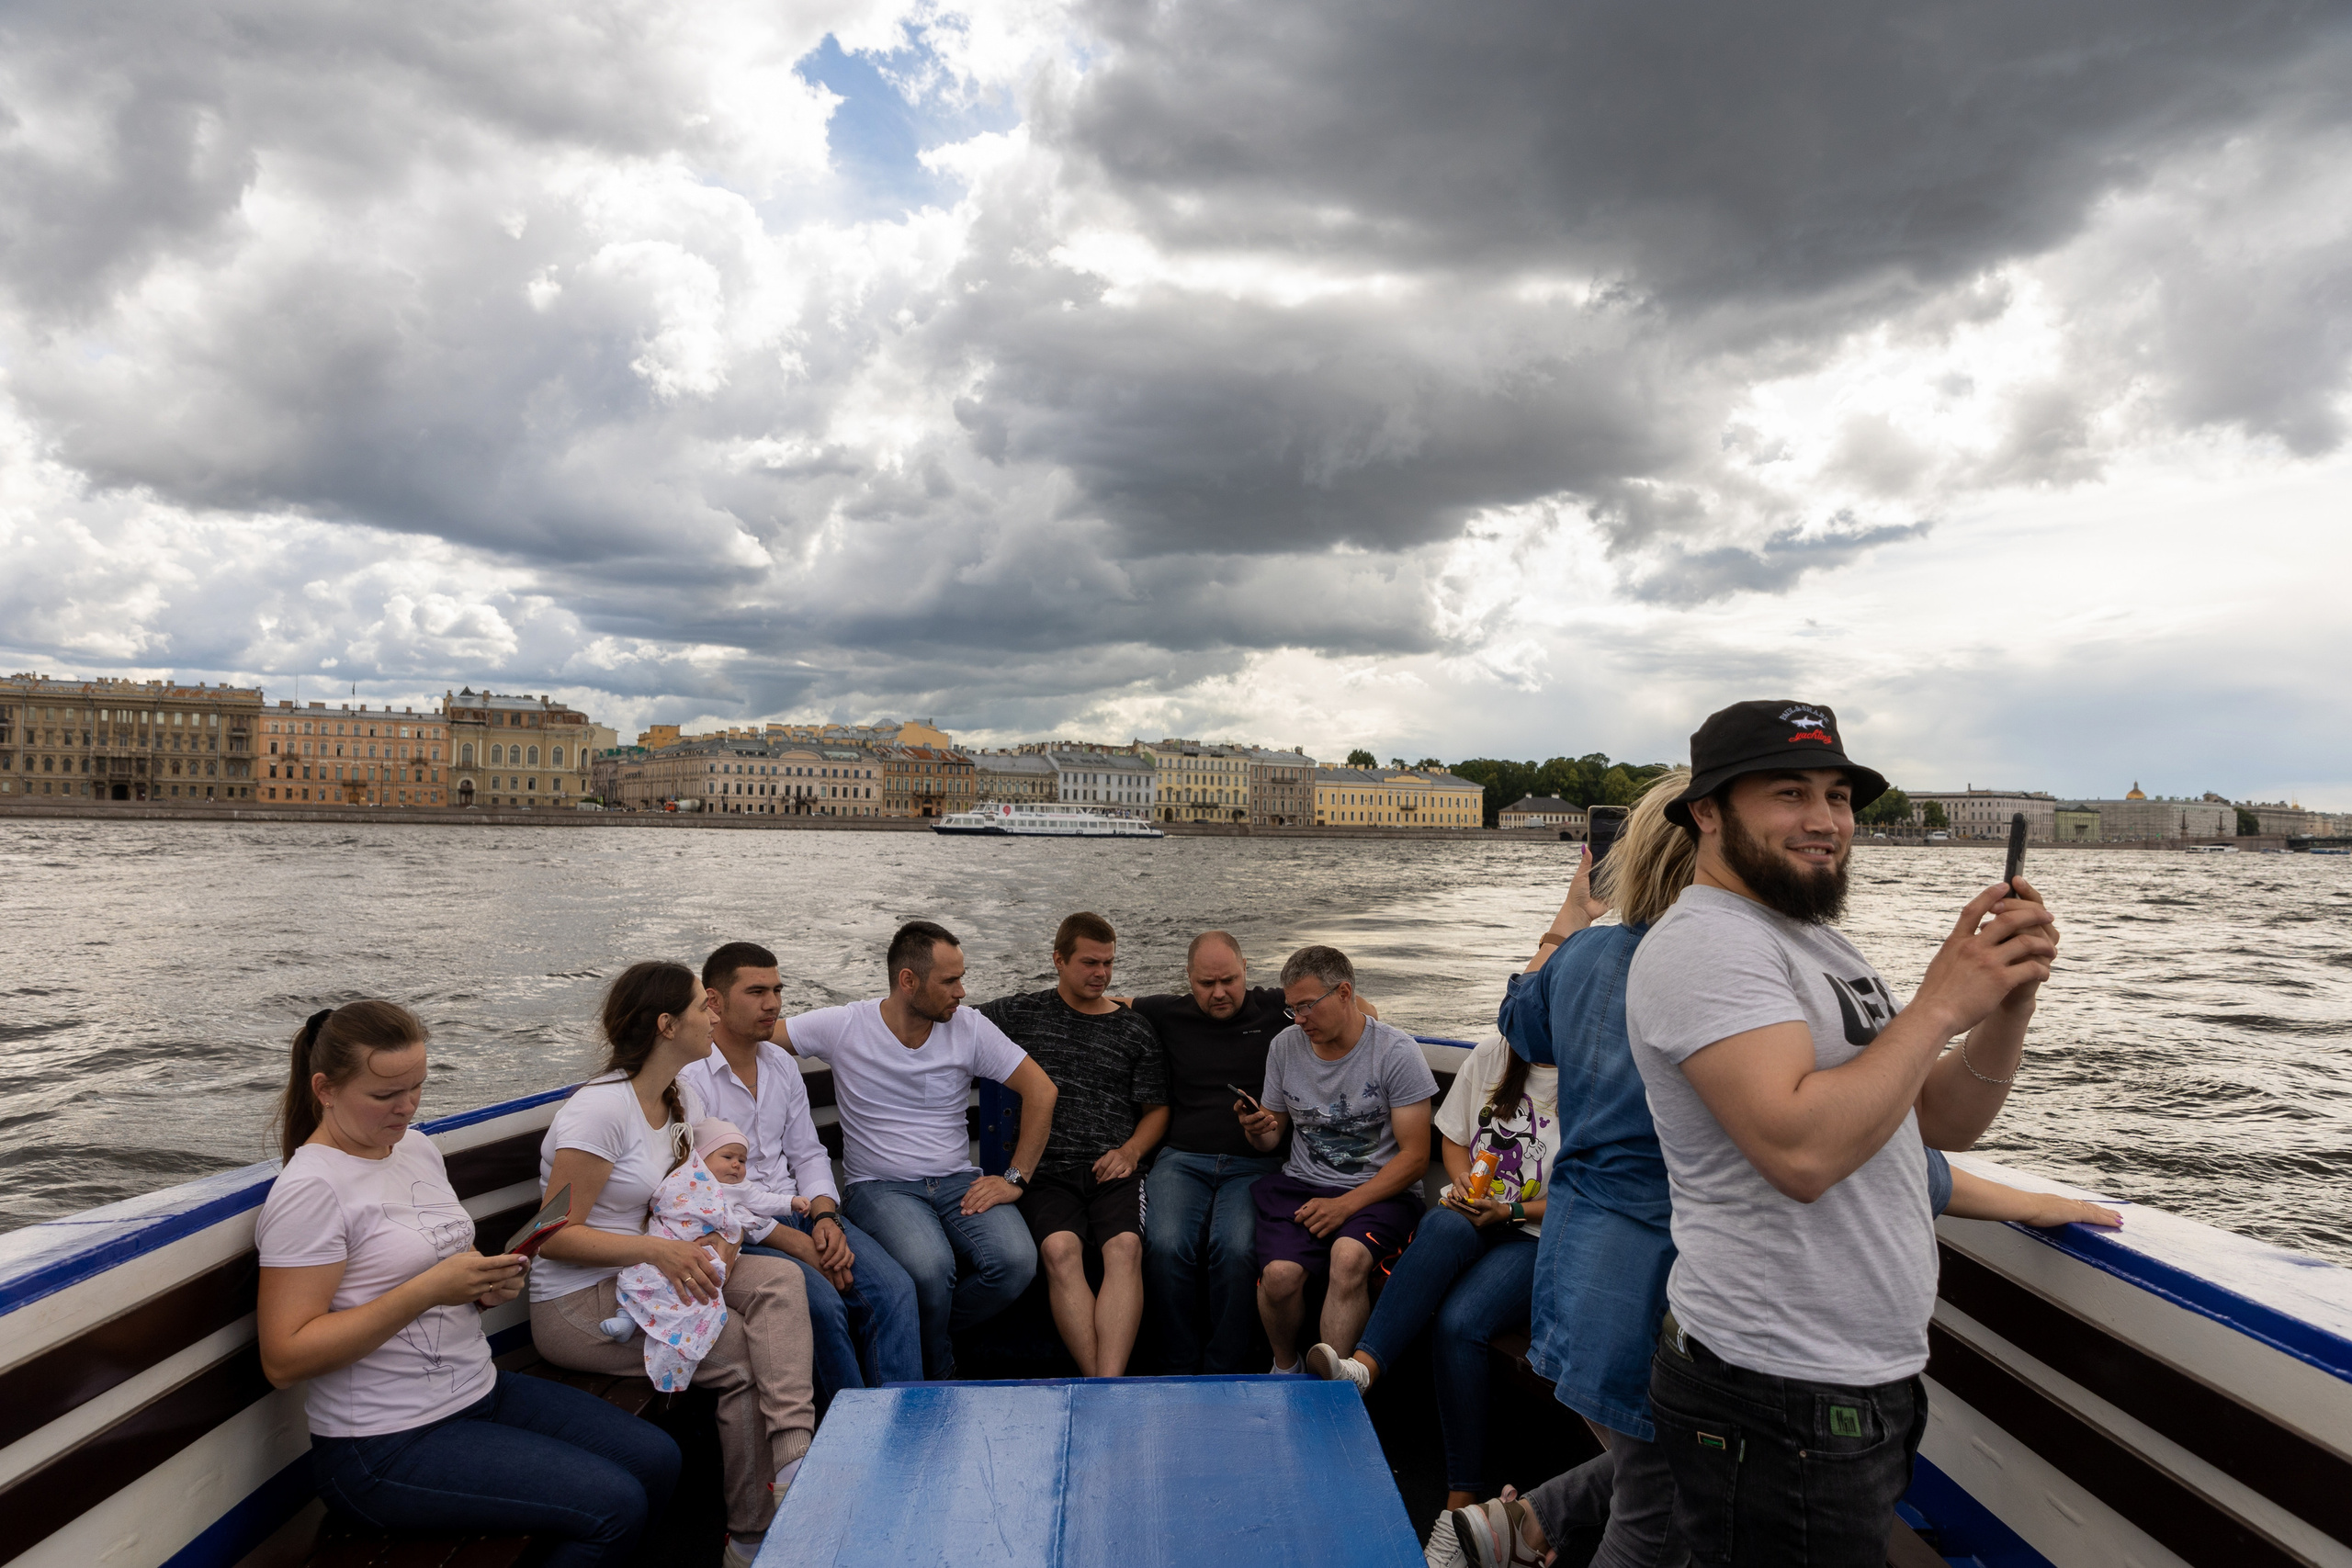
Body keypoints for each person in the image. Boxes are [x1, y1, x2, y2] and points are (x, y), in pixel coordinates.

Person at [1629, 699, 2057, 1567]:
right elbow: (1802, 1151)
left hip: (1855, 1379)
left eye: (1839, 795)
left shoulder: (1817, 942)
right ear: (1707, 813)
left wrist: (2005, 1005)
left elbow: (1937, 1120)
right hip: (1776, 1389)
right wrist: (1940, 1001)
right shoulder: (1706, 945)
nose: (1825, 821)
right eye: (1790, 793)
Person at [255, 1002, 680, 1568]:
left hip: (476, 1391)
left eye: (417, 1088)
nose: (406, 1108)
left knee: (659, 1458)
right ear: (325, 1089)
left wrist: (483, 1287)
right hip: (383, 1445)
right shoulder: (310, 1189)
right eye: (385, 1096)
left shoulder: (415, 1148)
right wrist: (430, 1289)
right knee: (614, 1506)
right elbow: (284, 1358)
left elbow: (432, 1266)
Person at [1445, 771, 1695, 1568]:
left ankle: (1519, 1524)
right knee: (1661, 1494)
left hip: (1578, 1273)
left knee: (1657, 1472)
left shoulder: (1589, 956)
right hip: (1657, 1287)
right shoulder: (1717, 972)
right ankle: (1524, 1524)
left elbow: (1522, 1017)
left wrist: (1570, 915)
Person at [528, 962, 820, 1568]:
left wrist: (723, 1240)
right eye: (699, 1006)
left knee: (782, 1279)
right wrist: (659, 1250)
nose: (713, 1014)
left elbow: (688, 1196)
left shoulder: (676, 1097)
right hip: (582, 1301)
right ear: (667, 1024)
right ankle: (751, 1537)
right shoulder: (599, 1113)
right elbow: (551, 1235)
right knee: (738, 1348)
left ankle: (794, 1455)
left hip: (653, 1274)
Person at [782, 919, 1060, 1380]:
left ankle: (925, 1337)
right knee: (930, 1269)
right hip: (880, 1189)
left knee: (1016, 1264)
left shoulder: (969, 1028)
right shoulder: (845, 1024)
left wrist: (1015, 1178)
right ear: (907, 980)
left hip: (955, 1182)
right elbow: (757, 1035)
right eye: (949, 981)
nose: (962, 991)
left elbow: (1042, 1091)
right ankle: (940, 1370)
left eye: (961, 978)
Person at [1305, 1016, 1554, 1524]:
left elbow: (1587, 1191)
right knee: (1442, 1225)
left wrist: (1509, 1211)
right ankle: (1364, 1369)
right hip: (1477, 1212)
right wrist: (1466, 1186)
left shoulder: (1595, 1074)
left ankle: (1460, 1504)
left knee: (1459, 1325)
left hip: (1534, 1232)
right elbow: (1456, 1142)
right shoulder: (1493, 1053)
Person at [681, 942, 922, 1406]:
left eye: (776, 990)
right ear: (714, 1001)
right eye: (756, 991)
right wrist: (792, 1241)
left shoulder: (780, 1065)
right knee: (823, 1307)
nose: (772, 1003)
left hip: (801, 1211)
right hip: (740, 1231)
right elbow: (705, 1189)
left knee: (894, 1291)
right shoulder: (692, 1079)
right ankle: (850, 1443)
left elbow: (808, 1154)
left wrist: (826, 1218)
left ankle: (905, 1423)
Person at [975, 911, 1169, 1377]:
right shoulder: (1021, 1013)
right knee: (1060, 1251)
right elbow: (949, 1017)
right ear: (1058, 960)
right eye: (1089, 963)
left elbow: (1156, 1110)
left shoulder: (1133, 1029)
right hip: (1045, 1171)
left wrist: (1130, 1152)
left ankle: (1107, 1383)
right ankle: (1102, 1382)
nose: (1100, 974)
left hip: (1114, 1170)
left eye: (1108, 963)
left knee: (1124, 1248)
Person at [1245, 944, 1436, 1374]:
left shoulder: (1395, 1052)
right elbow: (1271, 1136)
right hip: (1302, 1185)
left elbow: (1416, 1158)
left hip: (1380, 1192)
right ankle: (1285, 1369)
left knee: (1348, 1258)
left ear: (1345, 992)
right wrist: (1258, 1129)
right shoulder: (1285, 1047)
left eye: (1308, 1006)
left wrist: (1345, 1206)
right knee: (1278, 1278)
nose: (1299, 1019)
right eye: (1292, 1008)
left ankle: (1333, 1387)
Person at [1134, 931, 1291, 1373]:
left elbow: (1360, 1011)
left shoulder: (1279, 1006)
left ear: (1246, 969)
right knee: (1164, 1246)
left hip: (1255, 1161)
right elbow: (1100, 1000)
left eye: (1229, 980)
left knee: (1237, 1249)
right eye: (1205, 983)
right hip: (1182, 1159)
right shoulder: (1166, 1012)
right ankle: (1178, 1364)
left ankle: (1226, 1365)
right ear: (1188, 979)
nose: (1219, 992)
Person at [593, 1120, 746, 1389]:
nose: (737, 1165)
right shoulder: (603, 1113)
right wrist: (660, 1248)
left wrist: (735, 1235)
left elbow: (755, 1207)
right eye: (729, 1157)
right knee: (644, 1277)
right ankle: (626, 1317)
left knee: (787, 1281)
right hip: (657, 1246)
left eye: (742, 1160)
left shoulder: (689, 1103)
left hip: (702, 1253)